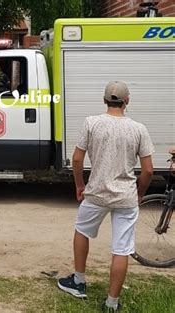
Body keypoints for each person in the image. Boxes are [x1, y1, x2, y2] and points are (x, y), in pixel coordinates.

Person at [57, 81, 154, 311]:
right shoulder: (139, 128)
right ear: (127, 101)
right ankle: (112, 303)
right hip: (126, 197)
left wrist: (79, 185)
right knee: (121, 248)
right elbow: (148, 170)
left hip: (96, 193)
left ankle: (79, 282)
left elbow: (78, 159)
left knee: (82, 231)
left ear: (104, 101)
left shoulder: (91, 123)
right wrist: (139, 193)